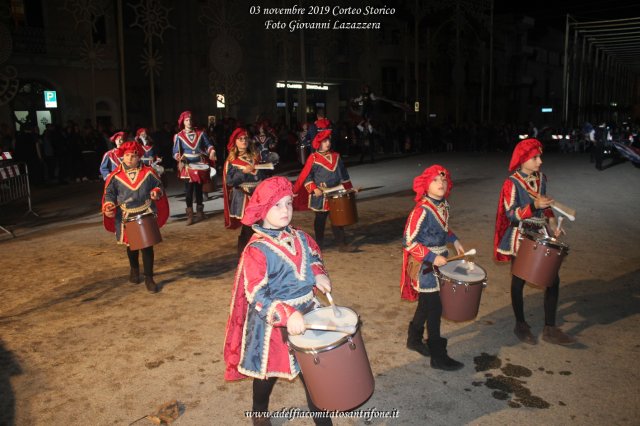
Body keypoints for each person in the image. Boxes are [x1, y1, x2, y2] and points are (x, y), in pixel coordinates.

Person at [223, 176, 333, 426]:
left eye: (288, 204)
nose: (285, 211)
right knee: (266, 375)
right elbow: (257, 294)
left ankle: (322, 419)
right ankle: (259, 412)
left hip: (308, 313)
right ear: (262, 210)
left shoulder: (300, 236)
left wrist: (318, 274)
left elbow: (313, 256)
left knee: (312, 373)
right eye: (277, 206)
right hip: (272, 324)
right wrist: (287, 314)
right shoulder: (256, 249)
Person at [494, 138, 576, 345]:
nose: (540, 161)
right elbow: (510, 214)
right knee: (519, 279)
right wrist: (533, 205)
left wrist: (553, 224)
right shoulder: (511, 183)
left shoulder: (541, 178)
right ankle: (521, 324)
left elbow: (546, 205)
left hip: (541, 231)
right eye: (535, 157)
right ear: (523, 159)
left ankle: (550, 327)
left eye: (540, 156)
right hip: (521, 234)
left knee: (552, 280)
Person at [400, 165, 465, 371]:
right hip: (424, 266)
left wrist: (454, 241)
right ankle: (437, 356)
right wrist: (431, 257)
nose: (441, 184)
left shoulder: (443, 205)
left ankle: (414, 339)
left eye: (444, 180)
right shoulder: (421, 210)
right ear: (425, 185)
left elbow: (443, 229)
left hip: (440, 260)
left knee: (426, 304)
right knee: (435, 308)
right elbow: (408, 242)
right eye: (436, 180)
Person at [101, 141, 169, 293]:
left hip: (145, 211)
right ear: (122, 157)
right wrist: (109, 205)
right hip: (126, 214)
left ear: (139, 157)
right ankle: (134, 269)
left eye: (133, 156)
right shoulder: (115, 176)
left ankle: (149, 278)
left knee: (147, 246)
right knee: (132, 247)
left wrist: (156, 192)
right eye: (127, 156)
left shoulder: (149, 172)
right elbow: (109, 194)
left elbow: (159, 186)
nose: (130, 158)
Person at [293, 119, 356, 252]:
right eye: (325, 141)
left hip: (335, 194)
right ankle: (319, 244)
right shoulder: (313, 158)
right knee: (320, 220)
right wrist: (313, 188)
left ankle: (342, 245)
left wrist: (349, 189)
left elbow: (344, 175)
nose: (328, 143)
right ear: (319, 143)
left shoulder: (336, 156)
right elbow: (306, 176)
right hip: (320, 194)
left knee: (337, 220)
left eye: (329, 140)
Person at [223, 128, 269, 255]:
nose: (244, 141)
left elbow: (263, 176)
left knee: (258, 227)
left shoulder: (255, 156)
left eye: (245, 139)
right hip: (244, 198)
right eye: (240, 139)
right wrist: (243, 172)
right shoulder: (231, 161)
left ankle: (251, 253)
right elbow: (230, 182)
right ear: (235, 142)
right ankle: (246, 254)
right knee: (249, 227)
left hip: (258, 196)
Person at [172, 111, 216, 225]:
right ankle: (190, 215)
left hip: (199, 163)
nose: (189, 122)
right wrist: (180, 159)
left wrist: (212, 151)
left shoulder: (201, 133)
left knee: (199, 189)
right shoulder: (179, 136)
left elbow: (209, 145)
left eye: (190, 120)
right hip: (187, 165)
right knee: (188, 191)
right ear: (183, 122)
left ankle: (200, 212)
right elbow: (175, 152)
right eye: (186, 120)